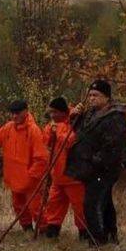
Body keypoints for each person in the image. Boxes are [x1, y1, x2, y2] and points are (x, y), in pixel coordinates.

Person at [65, 79, 126, 245]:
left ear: (106, 97)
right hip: (90, 168)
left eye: (96, 95)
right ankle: (111, 237)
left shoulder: (114, 117)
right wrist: (75, 117)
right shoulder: (90, 114)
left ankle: (97, 241)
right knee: (105, 202)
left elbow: (114, 145)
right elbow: (80, 134)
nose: (92, 98)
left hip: (104, 169)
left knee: (91, 204)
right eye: (90, 95)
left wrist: (96, 160)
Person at [0, 100, 49, 233]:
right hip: (14, 178)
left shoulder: (33, 130)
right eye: (12, 113)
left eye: (17, 113)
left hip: (30, 181)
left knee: (36, 207)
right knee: (18, 206)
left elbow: (41, 158)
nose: (14, 116)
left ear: (26, 111)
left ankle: (45, 231)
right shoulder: (8, 127)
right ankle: (27, 229)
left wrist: (31, 176)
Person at [38, 97, 87, 240]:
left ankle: (84, 234)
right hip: (57, 176)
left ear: (62, 111)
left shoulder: (75, 120)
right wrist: (51, 131)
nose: (52, 115)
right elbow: (45, 140)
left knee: (80, 208)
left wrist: (57, 130)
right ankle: (52, 233)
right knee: (53, 205)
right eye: (50, 112)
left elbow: (70, 141)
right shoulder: (54, 124)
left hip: (73, 177)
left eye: (54, 112)